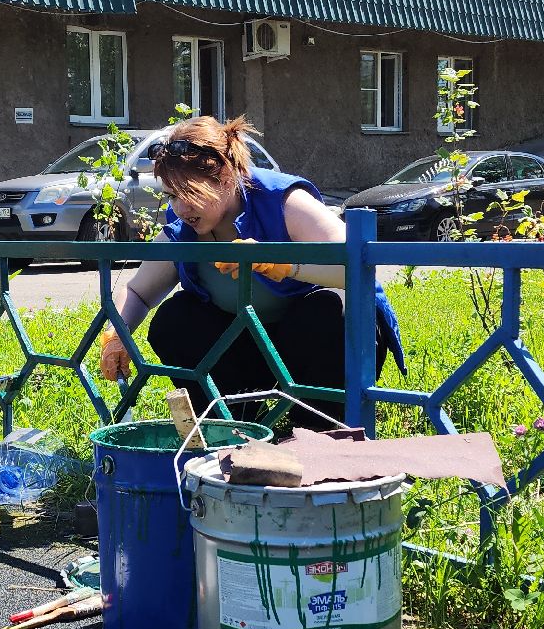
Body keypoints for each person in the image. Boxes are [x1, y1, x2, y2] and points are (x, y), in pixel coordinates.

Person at [96, 115, 404, 422]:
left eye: (190, 193)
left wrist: (279, 263)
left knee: (326, 310)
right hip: (253, 351)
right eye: (172, 196)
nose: (180, 208)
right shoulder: (183, 229)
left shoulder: (283, 200)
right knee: (175, 320)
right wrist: (115, 335)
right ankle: (229, 422)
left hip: (318, 351)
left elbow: (359, 267)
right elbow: (137, 291)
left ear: (226, 178)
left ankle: (320, 426)